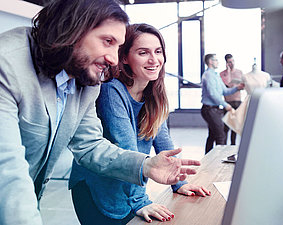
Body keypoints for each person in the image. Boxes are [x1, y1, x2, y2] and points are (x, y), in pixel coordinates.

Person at [0, 1, 200, 224]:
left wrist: (146, 165)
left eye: (118, 46)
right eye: (107, 41)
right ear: (73, 28)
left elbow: (90, 145)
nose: (114, 58)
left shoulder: (84, 79)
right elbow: (7, 170)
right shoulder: (6, 63)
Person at [69, 23, 211, 225]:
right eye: (143, 53)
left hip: (127, 187)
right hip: (98, 189)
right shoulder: (112, 91)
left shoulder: (153, 92)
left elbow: (164, 143)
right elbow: (126, 146)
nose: (154, 60)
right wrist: (140, 201)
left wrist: (179, 182)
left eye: (158, 51)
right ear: (124, 57)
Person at [201, 54, 244, 154]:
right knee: (221, 135)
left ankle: (207, 158)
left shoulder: (215, 75)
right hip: (209, 109)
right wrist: (226, 105)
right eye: (216, 60)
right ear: (210, 62)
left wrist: (237, 88)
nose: (218, 62)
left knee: (212, 135)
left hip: (215, 109)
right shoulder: (208, 75)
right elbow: (213, 94)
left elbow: (225, 91)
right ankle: (220, 160)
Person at [220, 54, 243, 145]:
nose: (232, 63)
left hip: (237, 102)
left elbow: (243, 86)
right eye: (229, 62)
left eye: (233, 61)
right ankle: (224, 147)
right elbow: (227, 85)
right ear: (226, 63)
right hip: (228, 103)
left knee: (235, 127)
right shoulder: (222, 74)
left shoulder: (239, 72)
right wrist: (229, 72)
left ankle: (233, 146)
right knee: (226, 128)